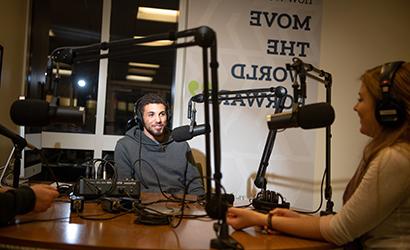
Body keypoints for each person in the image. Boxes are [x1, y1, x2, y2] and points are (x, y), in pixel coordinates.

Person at [227, 62, 410, 249]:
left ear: (387, 109)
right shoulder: (397, 153)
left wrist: (262, 219)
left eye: (361, 99)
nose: (355, 107)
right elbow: (348, 222)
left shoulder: (395, 157)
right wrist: (300, 219)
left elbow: (340, 231)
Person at [114, 93, 205, 195]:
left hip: (179, 207)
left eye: (162, 114)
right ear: (140, 119)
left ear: (168, 116)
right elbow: (124, 191)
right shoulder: (125, 146)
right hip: (142, 207)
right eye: (151, 114)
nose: (158, 120)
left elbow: (196, 188)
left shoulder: (181, 145)